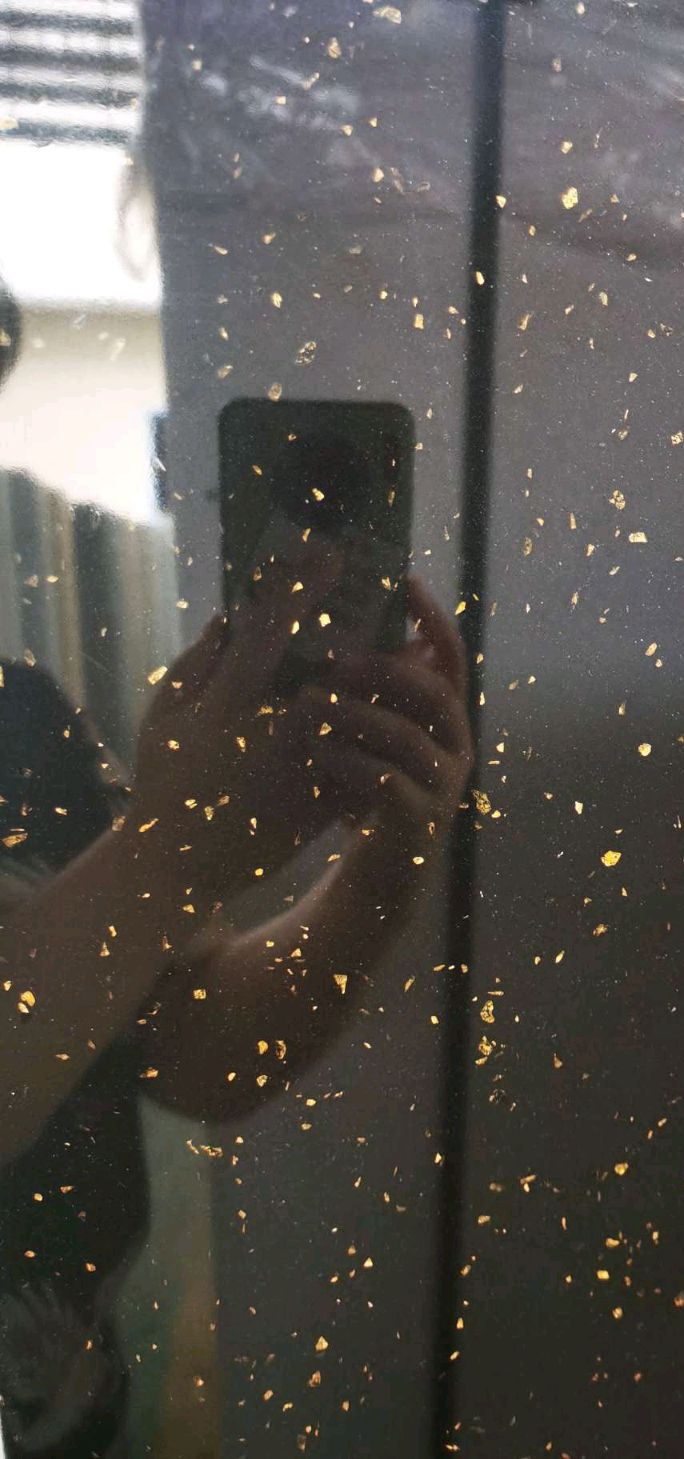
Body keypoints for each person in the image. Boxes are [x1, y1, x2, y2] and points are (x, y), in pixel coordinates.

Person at [0, 282, 472, 1455]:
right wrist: (170, 854)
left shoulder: (22, 715)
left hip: (78, 1417)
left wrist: (377, 876)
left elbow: (191, 1047)